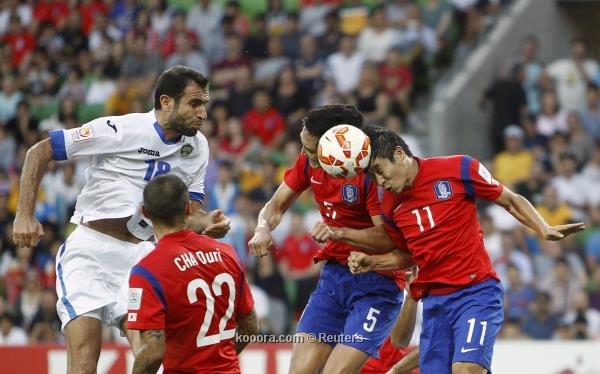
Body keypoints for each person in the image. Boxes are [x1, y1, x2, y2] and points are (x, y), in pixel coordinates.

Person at [312, 126, 584, 373]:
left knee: (466, 369)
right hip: (434, 302)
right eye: (372, 176)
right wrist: (373, 263)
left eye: (380, 170)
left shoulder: (459, 168)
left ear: (399, 154)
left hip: (475, 292)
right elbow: (407, 256)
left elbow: (510, 200)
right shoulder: (390, 206)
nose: (379, 181)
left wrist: (542, 227)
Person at [12, 65, 231, 373]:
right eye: (195, 103)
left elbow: (189, 215)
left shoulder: (197, 147)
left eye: (204, 104)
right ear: (166, 102)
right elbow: (40, 151)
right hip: (89, 251)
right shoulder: (121, 129)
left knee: (153, 353)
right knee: (86, 361)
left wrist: (206, 223)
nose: (203, 113)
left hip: (142, 259)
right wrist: (24, 214)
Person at [248, 105, 408, 373]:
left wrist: (339, 232)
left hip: (378, 283)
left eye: (311, 150)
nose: (305, 154)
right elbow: (275, 206)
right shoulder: (309, 161)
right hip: (334, 277)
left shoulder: (371, 174)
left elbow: (388, 239)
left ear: (335, 146)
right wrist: (262, 228)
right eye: (304, 147)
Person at [127, 174, 257, 373]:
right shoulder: (227, 253)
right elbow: (250, 328)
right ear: (188, 208)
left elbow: (153, 352)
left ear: (145, 212)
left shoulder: (147, 271)